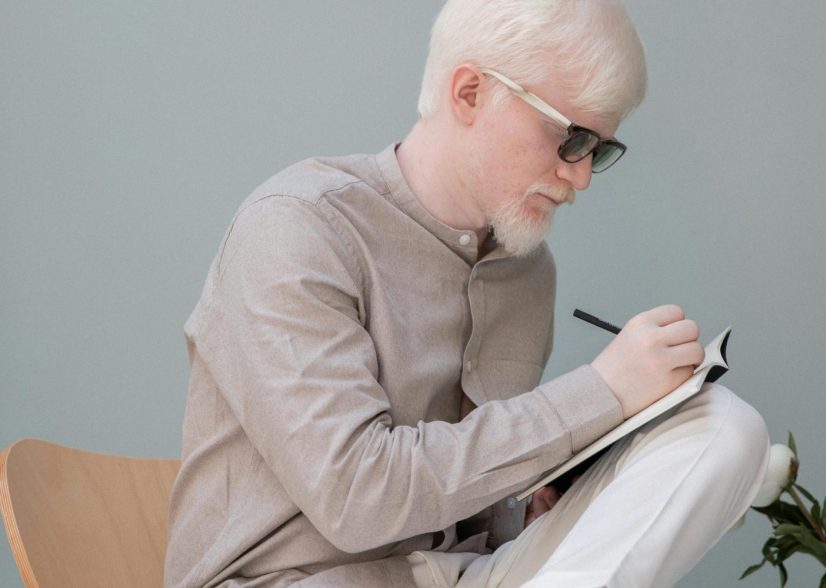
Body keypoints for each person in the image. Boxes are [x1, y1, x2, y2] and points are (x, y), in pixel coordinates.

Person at [164, 1, 770, 586]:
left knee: (725, 426)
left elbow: (473, 509)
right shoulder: (298, 227)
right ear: (470, 93)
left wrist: (524, 514)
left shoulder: (527, 272)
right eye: (570, 137)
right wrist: (604, 391)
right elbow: (358, 500)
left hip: (465, 575)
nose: (581, 175)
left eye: (599, 149)